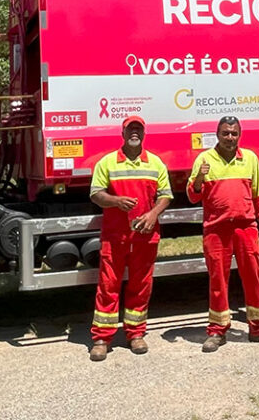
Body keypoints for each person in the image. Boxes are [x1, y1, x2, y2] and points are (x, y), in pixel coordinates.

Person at [187, 116, 259, 352]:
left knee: (253, 277)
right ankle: (218, 331)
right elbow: (192, 195)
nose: (230, 137)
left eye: (234, 133)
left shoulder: (249, 158)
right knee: (218, 280)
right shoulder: (204, 159)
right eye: (225, 133)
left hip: (245, 227)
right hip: (216, 229)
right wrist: (200, 177)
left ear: (239, 135)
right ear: (217, 134)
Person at [88, 116, 172, 361]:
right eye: (130, 129)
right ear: (122, 133)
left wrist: (153, 213)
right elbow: (96, 193)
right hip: (115, 237)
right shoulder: (108, 162)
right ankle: (102, 339)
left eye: (138, 129)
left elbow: (165, 195)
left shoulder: (155, 163)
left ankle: (136, 334)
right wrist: (116, 201)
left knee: (141, 286)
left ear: (144, 133)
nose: (134, 132)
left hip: (145, 237)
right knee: (108, 286)